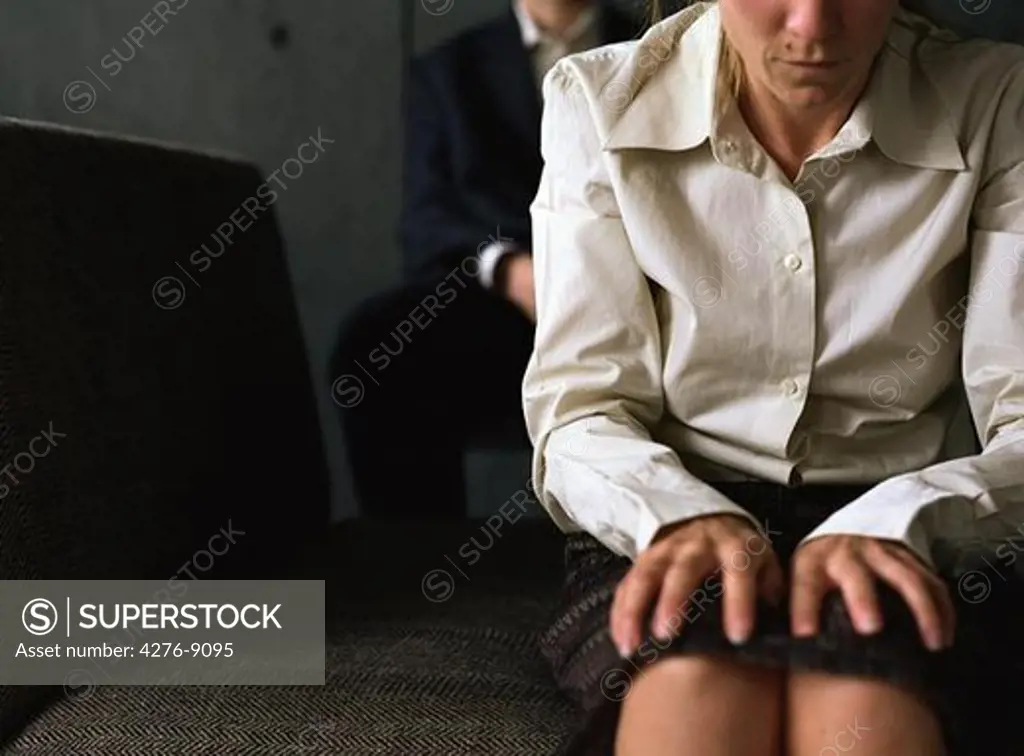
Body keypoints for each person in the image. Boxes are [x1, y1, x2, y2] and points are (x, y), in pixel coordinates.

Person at [523, 0, 1024, 754]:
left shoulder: (997, 99)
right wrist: (680, 514)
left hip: (910, 519)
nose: (811, 25)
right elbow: (580, 408)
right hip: (666, 512)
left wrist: (900, 520)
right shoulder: (597, 100)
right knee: (697, 694)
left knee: (864, 706)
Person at [328, 0, 641, 519]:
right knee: (374, 346)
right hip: (510, 310)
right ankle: (420, 568)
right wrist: (511, 270)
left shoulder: (664, 47)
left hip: (648, 299)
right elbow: (427, 222)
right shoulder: (447, 70)